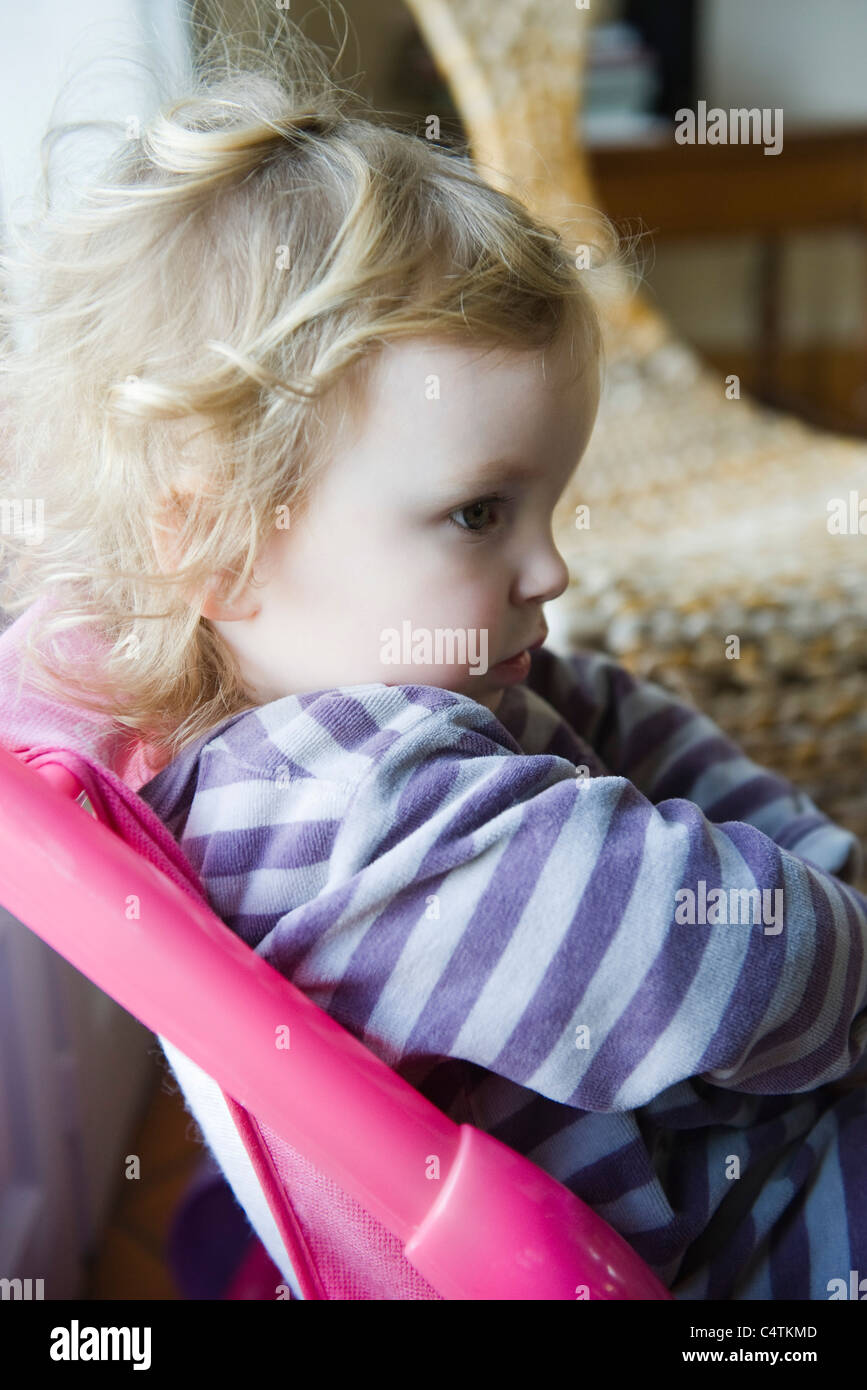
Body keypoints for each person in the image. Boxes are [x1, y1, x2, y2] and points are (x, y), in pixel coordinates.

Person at [1, 27, 865, 1301]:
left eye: (548, 506)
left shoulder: (384, 685)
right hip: (736, 1237)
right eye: (479, 513)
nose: (550, 571)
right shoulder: (357, 811)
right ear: (215, 536)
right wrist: (845, 925)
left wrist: (815, 875)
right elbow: (725, 962)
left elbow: (629, 727)